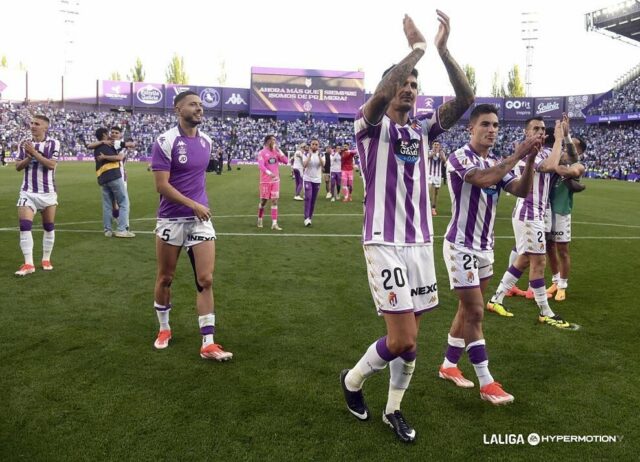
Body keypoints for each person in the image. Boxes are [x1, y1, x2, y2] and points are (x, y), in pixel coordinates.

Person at [340, 11, 474, 443]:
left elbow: (466, 99)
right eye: (404, 83)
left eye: (415, 85)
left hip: (419, 245)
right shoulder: (368, 126)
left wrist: (442, 50)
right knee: (400, 340)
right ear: (389, 88)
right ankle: (353, 382)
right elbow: (379, 96)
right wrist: (414, 49)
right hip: (383, 242)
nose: (410, 90)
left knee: (412, 342)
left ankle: (392, 409)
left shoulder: (422, 130)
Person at [438, 104, 539, 404]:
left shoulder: (497, 161)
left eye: (495, 125)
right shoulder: (459, 157)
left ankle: (448, 365)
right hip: (461, 245)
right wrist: (519, 154)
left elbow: (520, 190)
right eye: (485, 124)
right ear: (471, 128)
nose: (492, 130)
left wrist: (530, 161)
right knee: (476, 312)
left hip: (485, 248)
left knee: (466, 310)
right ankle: (486, 382)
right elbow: (482, 179)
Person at [150, 90, 232, 361]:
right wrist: (192, 204)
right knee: (166, 277)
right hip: (171, 219)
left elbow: (196, 179)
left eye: (201, 105)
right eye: (193, 105)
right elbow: (161, 185)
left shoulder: (207, 141)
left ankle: (207, 342)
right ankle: (164, 328)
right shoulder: (165, 141)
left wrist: (198, 206)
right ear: (178, 109)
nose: (199, 109)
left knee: (206, 279)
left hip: (200, 220)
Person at [487, 115, 577, 330]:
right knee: (539, 263)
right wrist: (557, 140)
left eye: (543, 129)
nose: (540, 131)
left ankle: (496, 299)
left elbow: (571, 158)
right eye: (535, 128)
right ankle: (545, 312)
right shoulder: (527, 154)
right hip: (528, 215)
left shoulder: (547, 151)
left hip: (537, 215)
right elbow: (549, 166)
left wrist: (566, 135)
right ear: (526, 133)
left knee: (524, 260)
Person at [14, 115, 60, 276]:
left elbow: (51, 165)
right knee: (25, 226)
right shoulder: (24, 143)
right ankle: (29, 264)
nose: (33, 126)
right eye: (32, 123)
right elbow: (18, 167)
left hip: (48, 193)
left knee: (48, 227)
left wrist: (34, 153)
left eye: (37, 124)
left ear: (45, 127)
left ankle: (46, 259)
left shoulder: (54, 143)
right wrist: (28, 156)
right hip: (28, 192)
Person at [545, 134, 587, 301]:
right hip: (546, 210)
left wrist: (554, 164)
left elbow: (568, 171)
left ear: (580, 152)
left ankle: (563, 285)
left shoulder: (579, 165)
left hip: (562, 211)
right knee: (549, 248)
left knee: (562, 250)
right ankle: (555, 281)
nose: (567, 148)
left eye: (573, 146)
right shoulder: (557, 159)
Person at [87, 126, 136, 230]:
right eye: (112, 132)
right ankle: (121, 226)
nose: (113, 134)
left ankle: (123, 226)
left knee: (119, 203)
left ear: (120, 135)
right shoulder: (107, 143)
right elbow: (89, 145)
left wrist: (105, 156)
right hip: (113, 176)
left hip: (120, 176)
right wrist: (103, 142)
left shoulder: (120, 144)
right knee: (117, 203)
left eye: (116, 133)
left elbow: (120, 157)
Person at [257, 135, 289, 231]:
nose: (275, 142)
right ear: (268, 141)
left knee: (274, 200)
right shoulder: (262, 153)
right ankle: (260, 218)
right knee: (263, 201)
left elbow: (286, 161)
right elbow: (261, 166)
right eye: (273, 140)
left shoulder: (275, 151)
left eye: (275, 140)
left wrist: (279, 150)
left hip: (275, 180)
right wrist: (269, 173)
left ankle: (274, 223)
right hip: (265, 181)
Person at [302, 138, 325, 226]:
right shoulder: (306, 154)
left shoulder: (321, 154)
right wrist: (309, 156)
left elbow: (323, 166)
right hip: (308, 178)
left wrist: (319, 156)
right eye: (313, 144)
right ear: (310, 145)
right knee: (308, 197)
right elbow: (304, 165)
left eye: (316, 144)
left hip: (317, 179)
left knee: (313, 200)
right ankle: (306, 218)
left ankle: (310, 217)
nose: (314, 146)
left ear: (318, 146)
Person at [428, 140, 446, 216]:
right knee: (427, 190)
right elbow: (428, 157)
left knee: (436, 193)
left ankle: (433, 208)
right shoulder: (429, 151)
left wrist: (441, 154)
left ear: (439, 146)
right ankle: (425, 206)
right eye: (435, 144)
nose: (436, 145)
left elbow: (444, 161)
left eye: (437, 144)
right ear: (432, 145)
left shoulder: (442, 153)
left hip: (438, 175)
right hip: (429, 174)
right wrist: (434, 153)